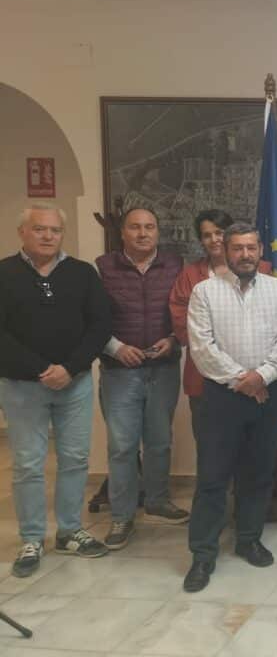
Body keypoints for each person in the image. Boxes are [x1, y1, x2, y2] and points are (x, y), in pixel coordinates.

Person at [183, 222, 277, 593]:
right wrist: (243, 381)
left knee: (259, 472)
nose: (245, 255)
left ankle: (249, 539)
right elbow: (202, 349)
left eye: (251, 248)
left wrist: (261, 377)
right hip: (222, 397)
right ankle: (203, 554)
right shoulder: (204, 292)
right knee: (212, 476)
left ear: (261, 249)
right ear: (224, 250)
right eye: (237, 248)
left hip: (269, 394)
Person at [0, 203, 112, 577]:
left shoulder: (82, 273)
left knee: (75, 459)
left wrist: (70, 368)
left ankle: (69, 531)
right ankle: (32, 538)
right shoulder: (4, 273)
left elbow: (100, 324)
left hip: (74, 384)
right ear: (22, 232)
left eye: (55, 230)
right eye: (39, 229)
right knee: (29, 464)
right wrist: (40, 369)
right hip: (22, 386)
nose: (48, 236)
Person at [95, 206, 188, 552]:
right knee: (122, 446)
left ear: (158, 232)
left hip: (163, 367)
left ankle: (157, 500)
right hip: (119, 371)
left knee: (160, 440)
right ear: (123, 232)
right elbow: (90, 317)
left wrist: (174, 339)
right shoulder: (103, 268)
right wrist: (115, 347)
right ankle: (122, 516)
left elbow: (187, 311)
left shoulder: (174, 266)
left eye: (149, 227)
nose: (143, 233)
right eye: (135, 227)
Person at [169, 209, 272, 443]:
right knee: (211, 450)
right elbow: (183, 326)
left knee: (253, 453)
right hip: (205, 380)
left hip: (253, 378)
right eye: (207, 235)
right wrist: (220, 352)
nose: (214, 239)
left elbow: (270, 322)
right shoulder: (189, 276)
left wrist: (249, 375)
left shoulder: (263, 270)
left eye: (219, 232)